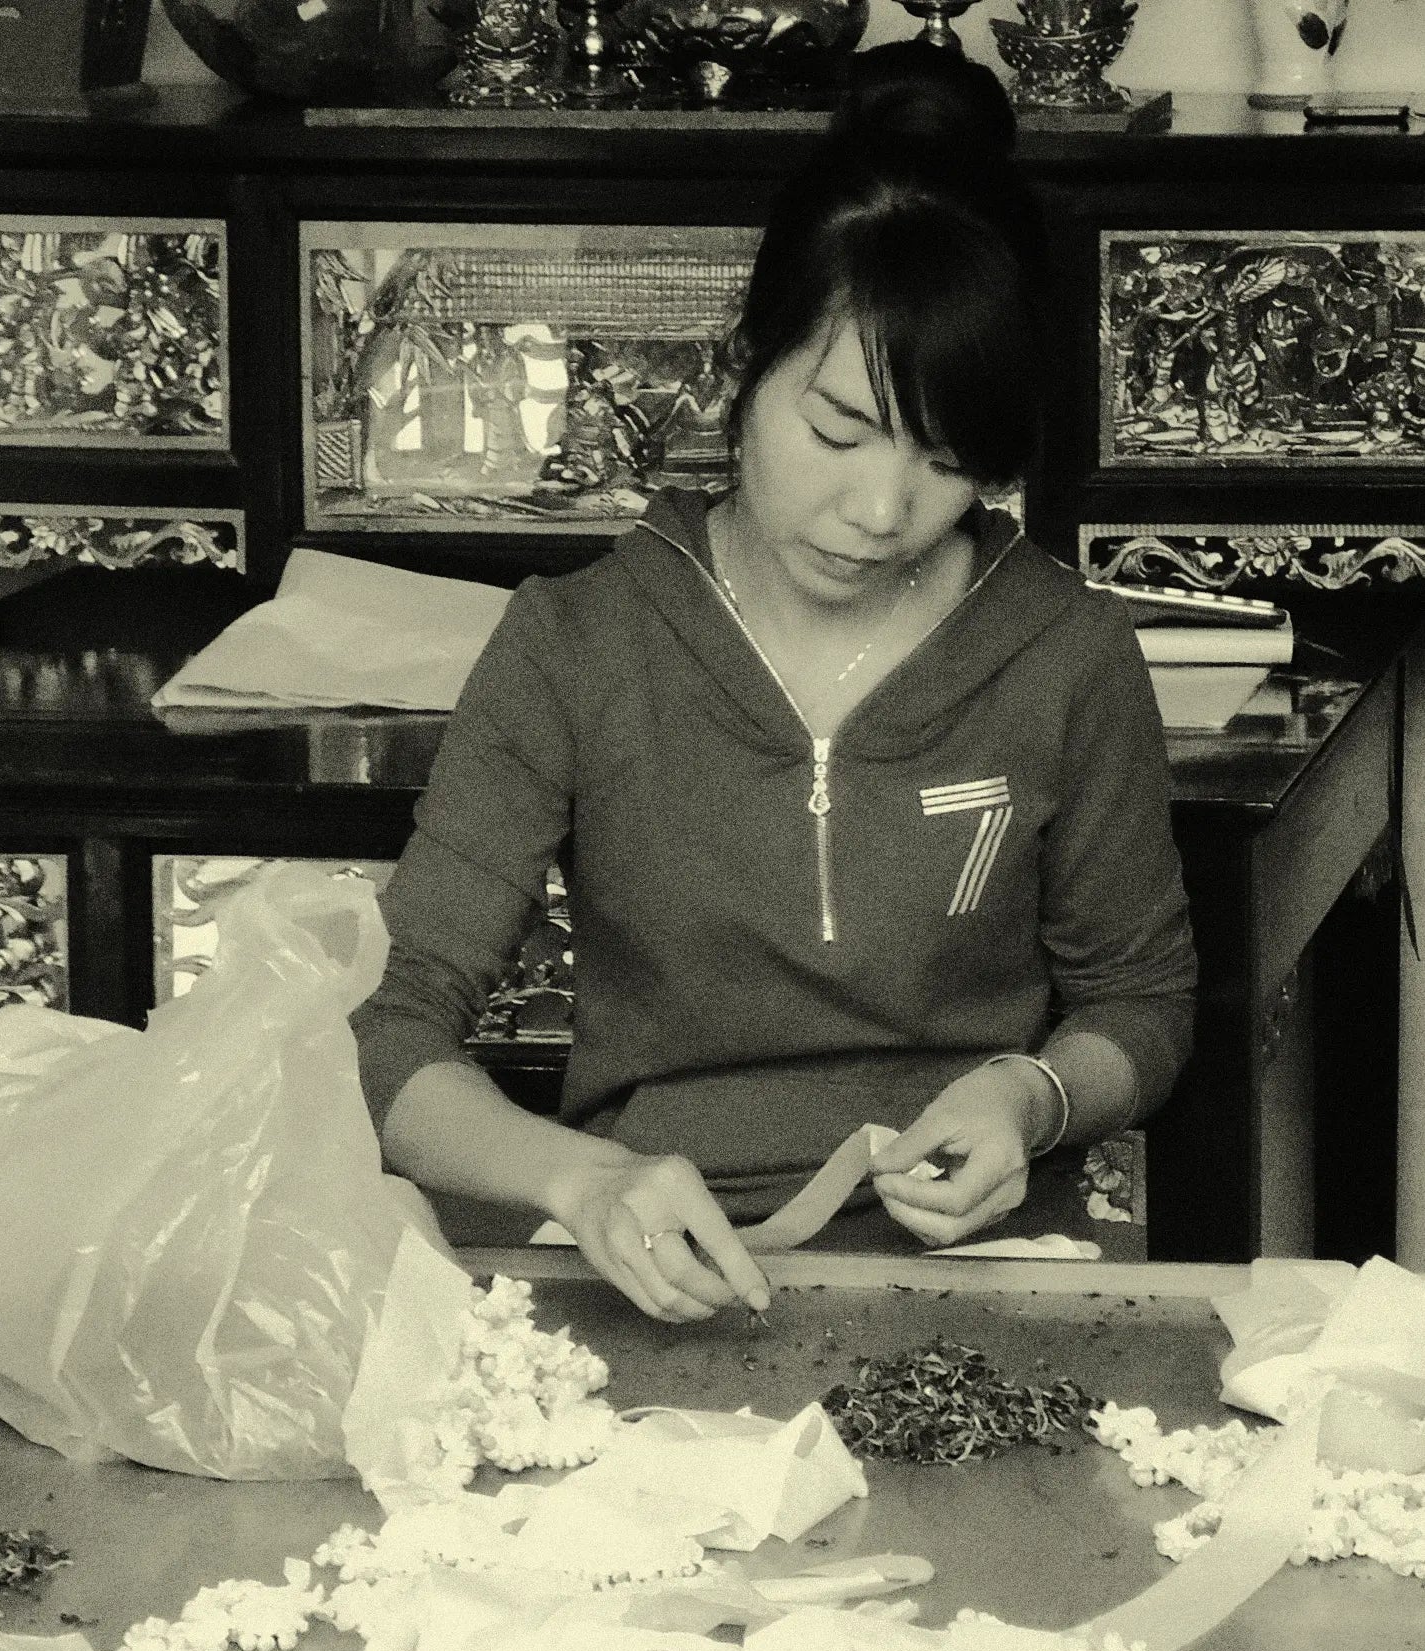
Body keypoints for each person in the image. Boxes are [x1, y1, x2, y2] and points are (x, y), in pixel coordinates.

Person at [356, 41, 1196, 1326]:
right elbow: (386, 1032)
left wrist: (1028, 1100)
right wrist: (584, 1183)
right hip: (652, 1263)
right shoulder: (578, 644)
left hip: (989, 1264)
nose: (879, 511)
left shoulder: (1065, 654)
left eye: (946, 459)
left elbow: (1139, 1004)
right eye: (837, 429)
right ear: (744, 363)